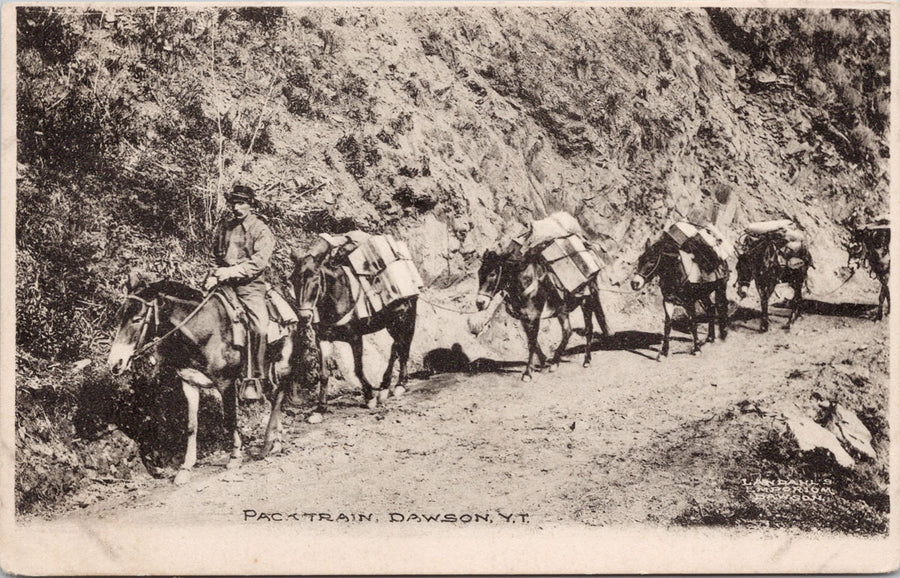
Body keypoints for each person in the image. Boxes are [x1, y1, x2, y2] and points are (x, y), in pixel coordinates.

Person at [205, 183, 275, 393]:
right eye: (234, 203)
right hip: (223, 283)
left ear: (251, 205)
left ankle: (256, 378)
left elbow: (259, 262)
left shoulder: (261, 230)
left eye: (242, 203)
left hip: (249, 286)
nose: (237, 207)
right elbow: (215, 256)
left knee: (259, 327)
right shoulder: (225, 228)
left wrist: (232, 272)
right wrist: (212, 275)